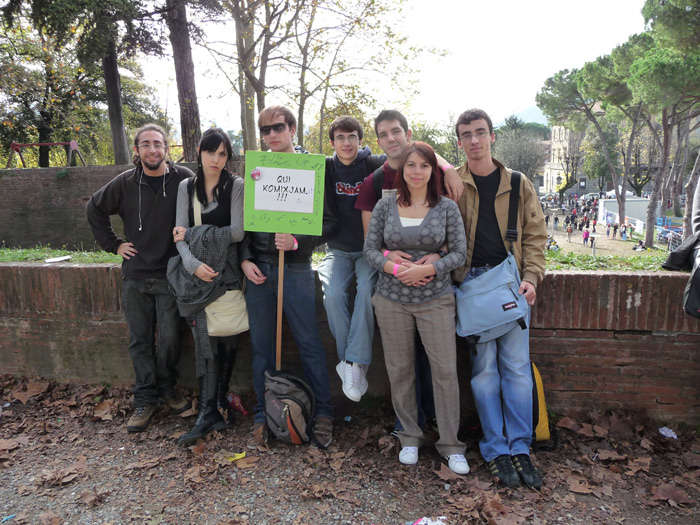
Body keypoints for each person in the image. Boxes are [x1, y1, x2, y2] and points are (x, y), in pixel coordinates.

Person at [452, 108, 547, 488]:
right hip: (471, 287)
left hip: (511, 285)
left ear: (492, 136)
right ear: (459, 141)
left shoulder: (519, 183)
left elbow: (535, 236)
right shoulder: (453, 182)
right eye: (466, 134)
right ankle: (495, 449)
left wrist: (532, 277)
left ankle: (520, 447)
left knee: (517, 370)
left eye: (480, 132)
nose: (474, 140)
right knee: (484, 373)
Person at [363, 141, 468, 475]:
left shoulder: (446, 207)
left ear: (433, 170)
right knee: (400, 369)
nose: (417, 171)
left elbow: (460, 253)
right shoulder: (385, 205)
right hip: (392, 300)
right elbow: (369, 250)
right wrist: (396, 269)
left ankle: (451, 445)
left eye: (424, 165)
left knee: (445, 371)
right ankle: (409, 436)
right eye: (411, 165)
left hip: (435, 300)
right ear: (402, 169)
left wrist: (430, 268)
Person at [86, 123, 193, 432]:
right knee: (140, 341)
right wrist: (114, 244)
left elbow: (207, 206)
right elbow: (94, 208)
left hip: (171, 274)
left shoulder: (184, 179)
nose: (152, 149)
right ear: (137, 150)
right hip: (135, 275)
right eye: (145, 144)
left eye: (157, 143)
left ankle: (166, 388)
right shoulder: (125, 183)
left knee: (171, 338)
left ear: (166, 148)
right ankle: (145, 399)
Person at [240, 105, 335, 447]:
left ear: (292, 129)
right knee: (261, 349)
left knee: (309, 344)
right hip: (259, 272)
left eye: (278, 127)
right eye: (265, 130)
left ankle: (323, 414)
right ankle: (263, 415)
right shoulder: (257, 171)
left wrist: (297, 241)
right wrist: (245, 258)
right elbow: (244, 223)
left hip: (295, 269)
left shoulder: (313, 169)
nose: (271, 135)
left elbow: (329, 223)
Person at [169, 128, 244, 444]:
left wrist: (193, 236)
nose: (216, 159)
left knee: (228, 337)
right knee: (206, 342)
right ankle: (207, 412)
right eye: (210, 152)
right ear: (199, 153)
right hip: (196, 275)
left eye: (222, 153)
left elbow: (238, 232)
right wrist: (192, 264)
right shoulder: (186, 187)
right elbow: (178, 236)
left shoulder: (236, 186)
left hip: (227, 274)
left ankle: (218, 405)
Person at [318, 116, 384, 402]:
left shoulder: (374, 165)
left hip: (369, 248)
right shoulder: (324, 168)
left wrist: (449, 169)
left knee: (367, 290)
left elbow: (412, 154)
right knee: (332, 293)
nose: (347, 143)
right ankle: (351, 362)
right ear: (332, 143)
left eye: (352, 137)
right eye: (340, 138)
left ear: (360, 139)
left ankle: (353, 362)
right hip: (338, 248)